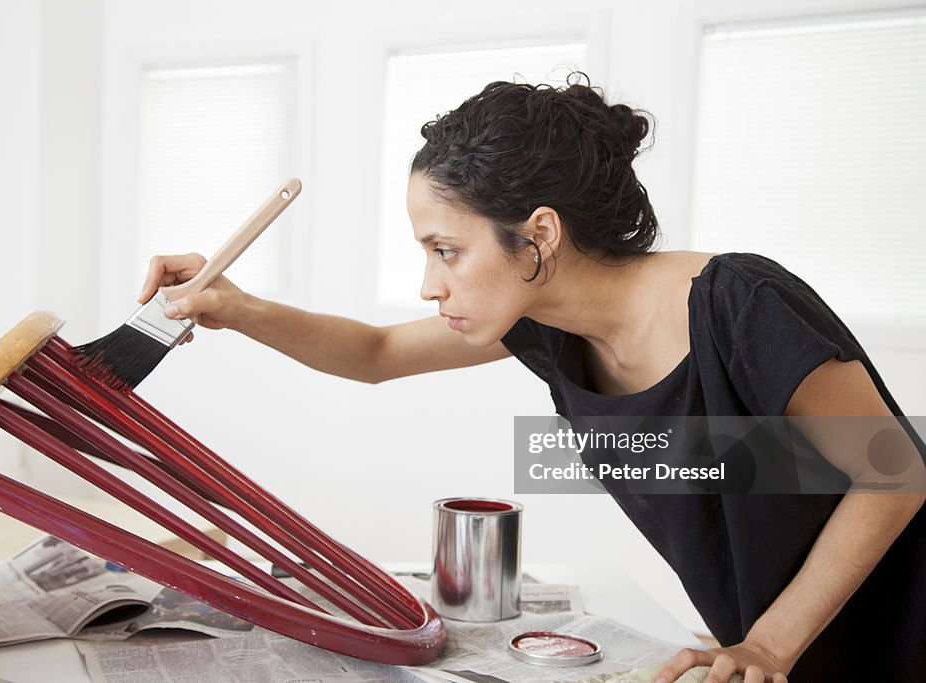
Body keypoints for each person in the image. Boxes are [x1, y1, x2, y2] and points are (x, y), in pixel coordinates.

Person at [139, 76, 925, 682]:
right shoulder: (548, 332)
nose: (428, 284)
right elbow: (376, 353)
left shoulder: (737, 303)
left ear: (538, 236)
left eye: (445, 250)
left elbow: (894, 473)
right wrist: (235, 307)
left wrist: (768, 639)